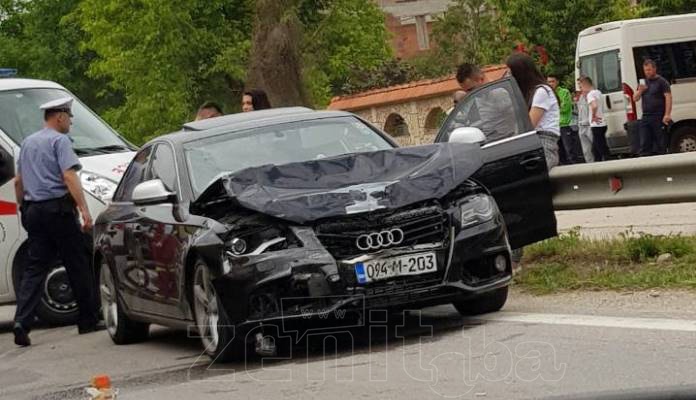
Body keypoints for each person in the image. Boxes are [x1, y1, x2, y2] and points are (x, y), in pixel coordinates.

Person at [12, 97, 101, 346]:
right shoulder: (60, 141)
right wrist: (84, 210)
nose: (71, 121)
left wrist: (23, 207)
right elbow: (69, 176)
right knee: (77, 262)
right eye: (69, 117)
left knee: (35, 267)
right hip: (58, 211)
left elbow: (19, 182)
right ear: (59, 117)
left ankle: (22, 321)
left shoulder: (27, 143)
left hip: (34, 211)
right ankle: (88, 319)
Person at [506, 53, 560, 169]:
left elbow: (529, 124)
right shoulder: (528, 93)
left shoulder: (542, 91)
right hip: (532, 142)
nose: (508, 76)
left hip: (543, 142)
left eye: (511, 73)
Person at [453, 63, 515, 142]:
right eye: (466, 91)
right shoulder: (479, 96)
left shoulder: (498, 93)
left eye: (471, 89)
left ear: (481, 79)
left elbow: (515, 120)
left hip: (504, 141)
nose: (469, 94)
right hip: (488, 141)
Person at [633, 59, 672, 155]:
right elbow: (635, 98)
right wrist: (640, 91)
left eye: (649, 70)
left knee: (661, 143)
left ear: (655, 69)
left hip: (658, 116)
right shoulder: (643, 83)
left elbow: (668, 97)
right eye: (645, 70)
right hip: (646, 116)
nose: (647, 72)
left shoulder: (662, 82)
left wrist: (667, 114)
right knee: (644, 142)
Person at [547, 75, 584, 164]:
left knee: (569, 149)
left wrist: (553, 109)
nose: (550, 84)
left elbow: (565, 108)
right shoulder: (548, 94)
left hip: (565, 124)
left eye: (552, 81)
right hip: (554, 126)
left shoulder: (564, 92)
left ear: (557, 82)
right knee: (559, 151)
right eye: (549, 82)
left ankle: (576, 168)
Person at [578, 76, 610, 161]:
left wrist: (593, 116)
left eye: (581, 86)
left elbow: (594, 105)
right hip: (603, 123)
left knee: (600, 146)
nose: (581, 89)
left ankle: (609, 161)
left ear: (585, 84)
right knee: (596, 148)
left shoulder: (590, 94)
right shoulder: (598, 92)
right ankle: (598, 163)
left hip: (596, 125)